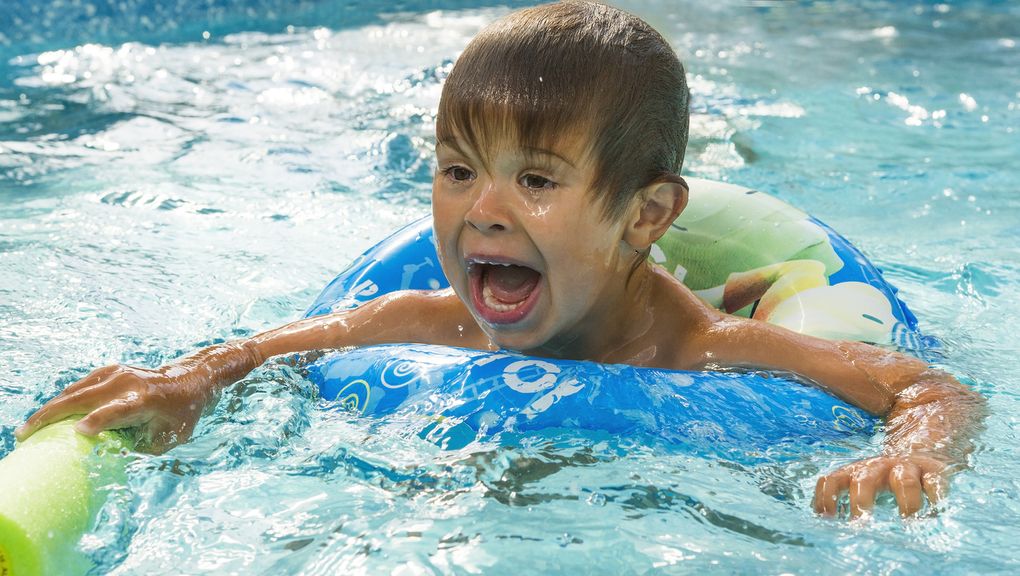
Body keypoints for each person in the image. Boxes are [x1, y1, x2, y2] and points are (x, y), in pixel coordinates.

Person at [15, 0, 983, 520]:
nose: (482, 210)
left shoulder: (716, 351)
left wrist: (911, 454)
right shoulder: (440, 318)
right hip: (620, 265)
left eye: (535, 181)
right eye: (455, 169)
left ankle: (723, 242)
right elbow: (283, 344)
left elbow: (930, 389)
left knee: (743, 281)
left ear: (647, 214)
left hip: (713, 288)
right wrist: (189, 381)